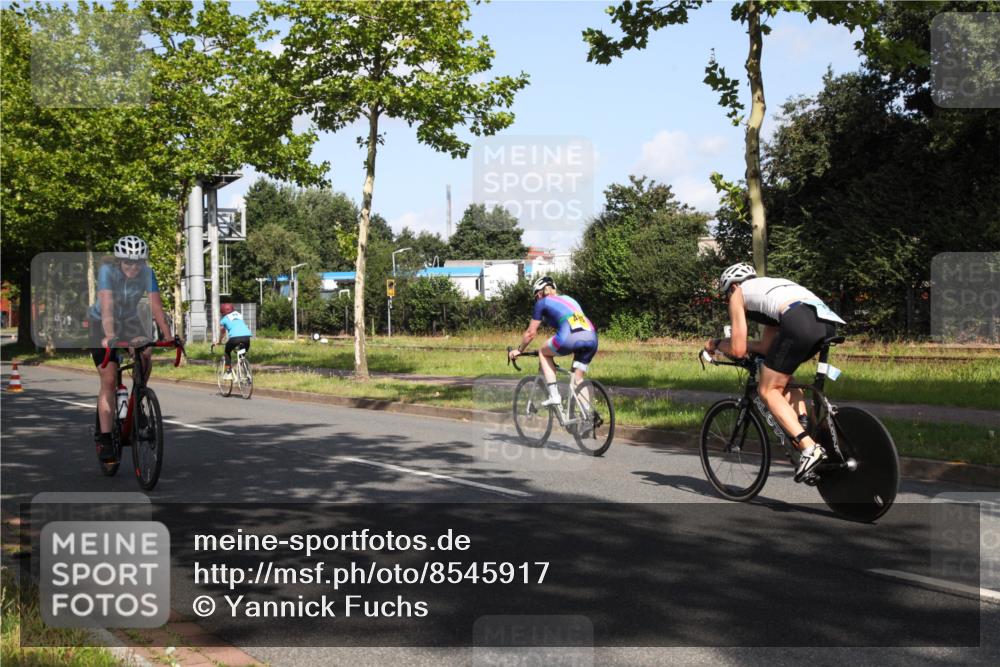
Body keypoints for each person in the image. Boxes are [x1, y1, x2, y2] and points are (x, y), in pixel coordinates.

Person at [705, 262, 846, 481]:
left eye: (727, 294)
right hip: (824, 322)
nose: (729, 298)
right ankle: (804, 425)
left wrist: (715, 343)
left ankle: (809, 448)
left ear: (732, 287)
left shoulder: (738, 295)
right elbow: (765, 347)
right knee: (783, 374)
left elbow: (738, 349)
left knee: (768, 390)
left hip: (799, 323)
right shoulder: (771, 289)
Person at [87, 235, 175, 463]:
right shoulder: (107, 271)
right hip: (101, 323)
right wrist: (109, 335)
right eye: (128, 262)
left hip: (129, 320)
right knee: (108, 380)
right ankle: (105, 437)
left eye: (138, 262)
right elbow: (106, 306)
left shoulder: (147, 273)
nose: (133, 267)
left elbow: (156, 307)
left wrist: (168, 336)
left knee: (145, 351)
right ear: (119, 261)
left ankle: (139, 398)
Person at [508, 276, 598, 407]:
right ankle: (588, 416)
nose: (536, 300)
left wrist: (519, 350)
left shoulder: (542, 302)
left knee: (543, 353)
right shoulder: (570, 299)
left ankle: (554, 396)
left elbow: (530, 333)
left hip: (569, 337)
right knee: (577, 379)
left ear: (539, 294)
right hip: (592, 338)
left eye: (535, 297)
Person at [218, 302, 252, 380]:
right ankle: (247, 373)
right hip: (247, 338)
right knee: (242, 355)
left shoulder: (224, 319)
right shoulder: (239, 315)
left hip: (234, 338)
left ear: (222, 312)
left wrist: (219, 341)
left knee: (227, 351)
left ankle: (228, 372)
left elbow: (222, 332)